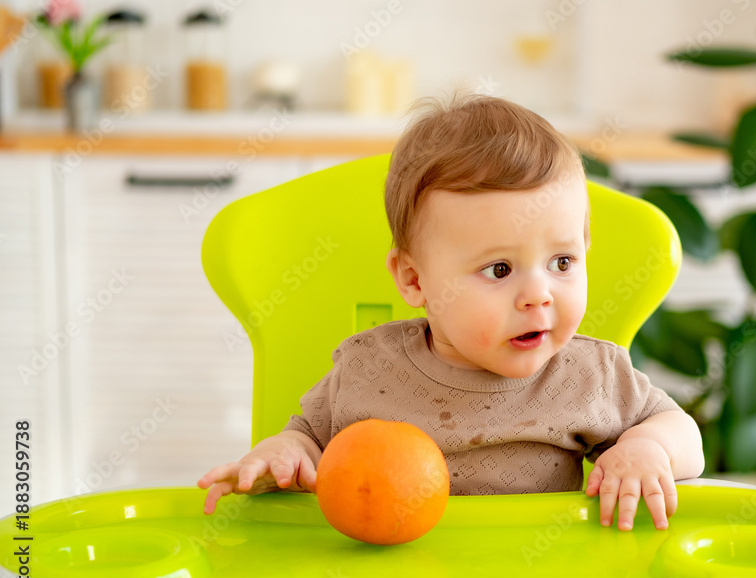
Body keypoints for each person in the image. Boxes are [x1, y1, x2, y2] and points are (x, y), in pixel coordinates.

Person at [198, 92, 704, 530]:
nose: (539, 295)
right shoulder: (369, 370)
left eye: (562, 262)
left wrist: (649, 449)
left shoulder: (590, 374)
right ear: (414, 280)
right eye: (500, 270)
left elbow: (683, 434)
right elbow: (309, 440)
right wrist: (284, 454)